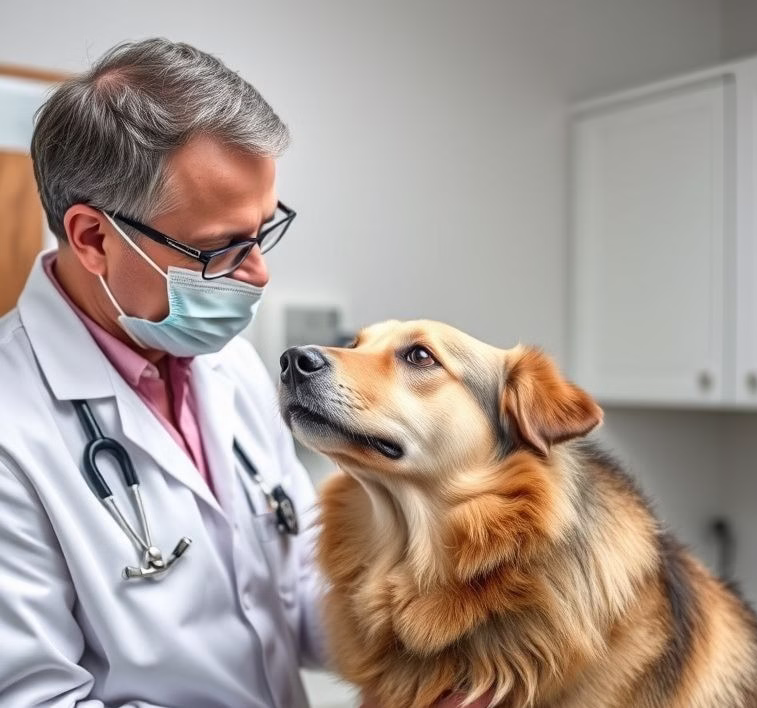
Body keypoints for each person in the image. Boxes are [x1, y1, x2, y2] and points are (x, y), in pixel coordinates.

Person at [0, 37, 491, 708]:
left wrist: (448, 662)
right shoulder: (12, 426)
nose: (258, 273)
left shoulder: (227, 364)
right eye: (220, 248)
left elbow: (294, 591)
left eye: (263, 230)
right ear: (93, 238)